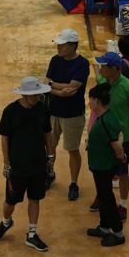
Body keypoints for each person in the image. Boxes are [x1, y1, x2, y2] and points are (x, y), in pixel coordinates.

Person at [0, 76, 55, 252]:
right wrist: (6, 162)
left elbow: (47, 133)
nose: (37, 97)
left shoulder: (42, 109)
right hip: (17, 166)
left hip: (38, 164)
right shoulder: (10, 111)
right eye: (34, 95)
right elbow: (5, 138)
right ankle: (6, 222)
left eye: (38, 94)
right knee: (10, 201)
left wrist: (50, 156)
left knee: (35, 198)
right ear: (24, 95)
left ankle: (32, 234)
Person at [45, 29, 90, 201]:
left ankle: (73, 183)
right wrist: (58, 88)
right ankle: (49, 173)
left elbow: (71, 90)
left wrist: (52, 86)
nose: (58, 47)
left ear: (72, 46)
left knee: (72, 150)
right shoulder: (55, 60)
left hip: (72, 114)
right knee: (49, 147)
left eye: (62, 45)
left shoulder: (82, 64)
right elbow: (48, 84)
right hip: (53, 112)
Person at [95, 52, 129, 222]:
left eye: (104, 66)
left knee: (122, 171)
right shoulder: (102, 83)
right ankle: (103, 196)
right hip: (104, 134)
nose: (101, 69)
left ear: (115, 69)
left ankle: (123, 204)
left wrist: (127, 128)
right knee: (102, 169)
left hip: (122, 137)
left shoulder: (128, 88)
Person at [86, 83, 126, 247]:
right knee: (103, 197)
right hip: (100, 166)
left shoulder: (105, 121)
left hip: (104, 167)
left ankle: (118, 233)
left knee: (108, 199)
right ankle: (104, 227)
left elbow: (116, 144)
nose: (89, 103)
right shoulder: (105, 117)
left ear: (96, 100)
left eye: (90, 99)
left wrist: (120, 157)